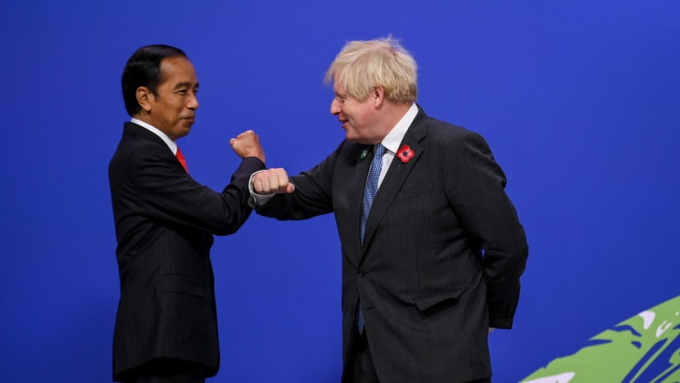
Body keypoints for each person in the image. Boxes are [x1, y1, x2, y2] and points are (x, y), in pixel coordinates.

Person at [250, 36, 529, 383]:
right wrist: (261, 182)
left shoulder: (452, 149)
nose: (334, 109)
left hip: (441, 362)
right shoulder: (350, 155)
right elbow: (294, 196)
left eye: (342, 98)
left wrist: (485, 319)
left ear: (377, 95)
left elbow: (508, 246)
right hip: (366, 363)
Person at [108, 44, 266, 383]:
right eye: (182, 91)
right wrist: (252, 164)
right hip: (162, 345)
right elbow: (223, 214)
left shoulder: (150, 154)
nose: (194, 103)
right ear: (145, 97)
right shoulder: (142, 157)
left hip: (170, 344)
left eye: (194, 91)